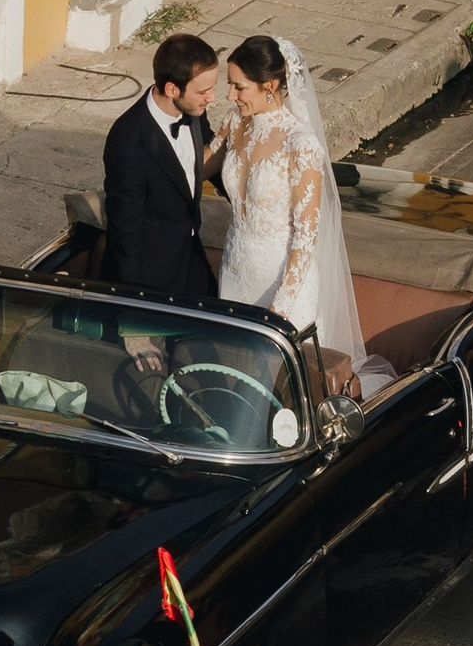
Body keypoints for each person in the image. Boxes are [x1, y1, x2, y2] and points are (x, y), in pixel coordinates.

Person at [218, 31, 367, 390]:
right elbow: (193, 169)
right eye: (229, 85)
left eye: (239, 87)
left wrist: (280, 311)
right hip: (235, 273)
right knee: (234, 380)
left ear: (269, 86)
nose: (230, 95)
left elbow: (306, 235)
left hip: (281, 284)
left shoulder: (301, 145)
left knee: (280, 391)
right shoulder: (234, 124)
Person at [101, 30, 220, 306]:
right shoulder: (128, 140)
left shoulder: (192, 110)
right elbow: (125, 231)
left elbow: (208, 155)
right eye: (203, 91)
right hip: (152, 276)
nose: (212, 97)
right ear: (172, 89)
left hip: (191, 257)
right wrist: (133, 308)